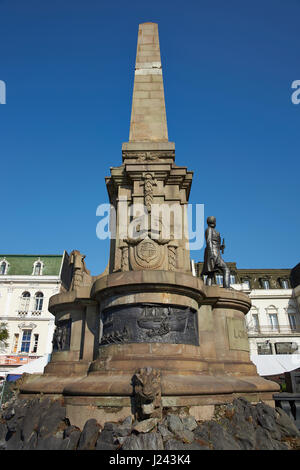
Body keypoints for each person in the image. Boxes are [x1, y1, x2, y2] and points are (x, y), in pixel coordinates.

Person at [201, 216, 230, 288]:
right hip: (213, 254)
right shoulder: (209, 230)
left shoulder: (214, 231)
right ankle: (226, 288)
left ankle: (208, 289)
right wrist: (211, 253)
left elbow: (214, 244)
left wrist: (221, 247)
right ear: (213, 222)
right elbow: (209, 241)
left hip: (214, 253)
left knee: (211, 273)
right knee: (226, 269)